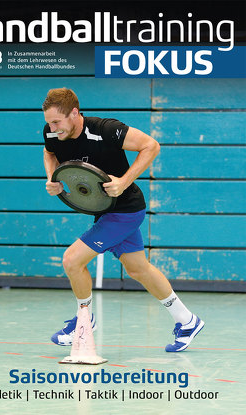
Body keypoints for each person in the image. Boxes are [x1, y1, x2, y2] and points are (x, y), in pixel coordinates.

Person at [42, 87, 204, 352]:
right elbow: (50, 153)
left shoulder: (106, 129)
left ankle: (85, 320)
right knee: (138, 269)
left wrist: (124, 180)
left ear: (74, 113)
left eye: (57, 122)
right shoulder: (51, 131)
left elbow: (151, 146)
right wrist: (52, 178)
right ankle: (187, 321)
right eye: (49, 122)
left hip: (124, 209)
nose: (53, 128)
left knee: (72, 261)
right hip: (105, 210)